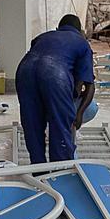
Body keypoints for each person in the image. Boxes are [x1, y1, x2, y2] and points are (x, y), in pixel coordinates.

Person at [15, 14, 96, 164]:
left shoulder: (43, 37)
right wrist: (78, 115)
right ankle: (60, 174)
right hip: (54, 73)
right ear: (80, 31)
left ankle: (38, 171)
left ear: (58, 28)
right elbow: (90, 86)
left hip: (24, 70)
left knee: (32, 123)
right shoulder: (82, 43)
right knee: (60, 127)